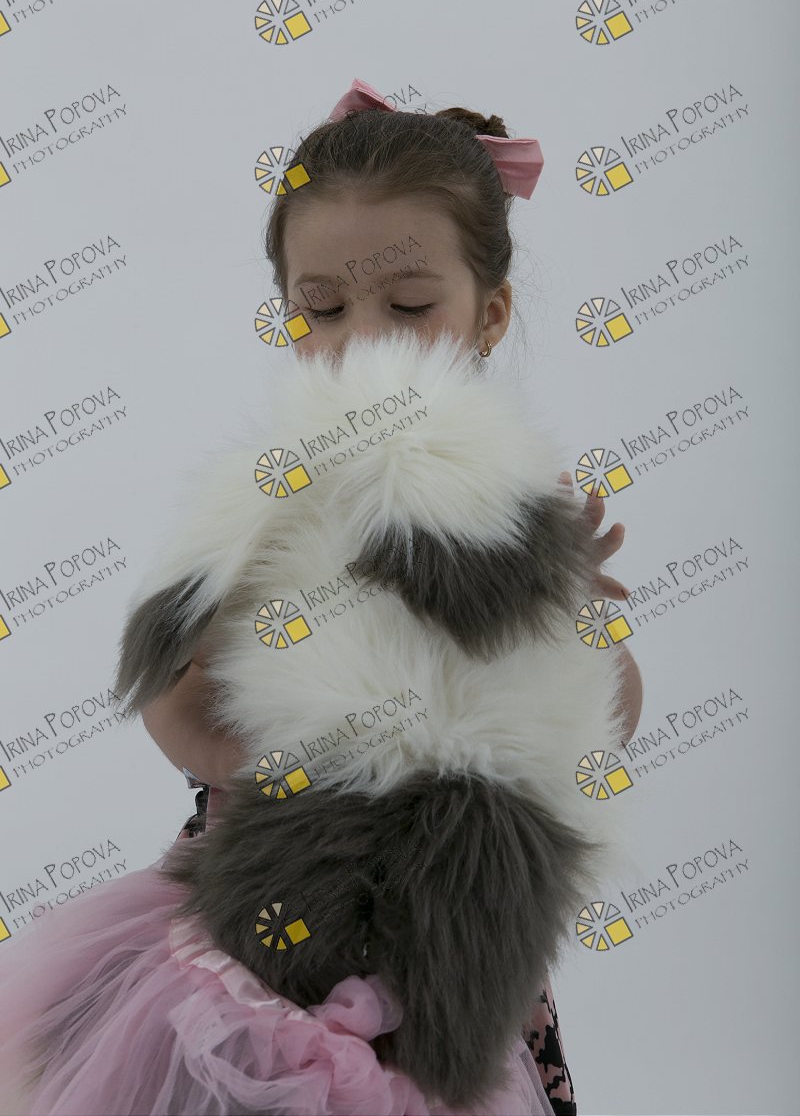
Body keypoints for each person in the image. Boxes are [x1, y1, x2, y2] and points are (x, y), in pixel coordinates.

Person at [0, 79, 642, 1116]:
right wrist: (260, 760)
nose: (361, 341)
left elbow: (591, 723)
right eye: (325, 309)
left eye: (409, 307)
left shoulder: (510, 504)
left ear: (489, 314)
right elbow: (168, 687)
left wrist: (578, 629)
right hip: (272, 901)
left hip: (450, 929)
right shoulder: (272, 493)